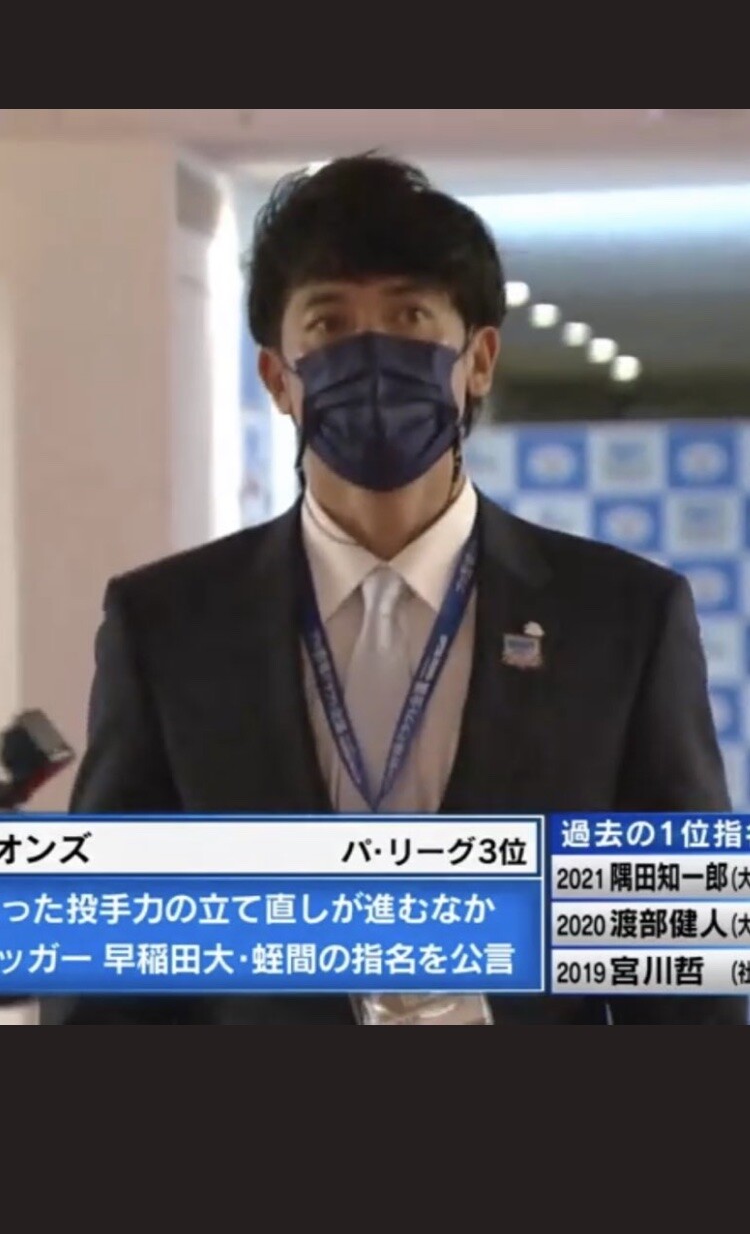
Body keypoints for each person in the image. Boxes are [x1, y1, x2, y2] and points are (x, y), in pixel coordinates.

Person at [41, 154, 745, 1025]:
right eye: (330, 323)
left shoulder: (623, 619)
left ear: (479, 359)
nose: (373, 355)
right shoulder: (168, 625)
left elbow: (686, 980)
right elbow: (105, 978)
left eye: (411, 317)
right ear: (277, 378)